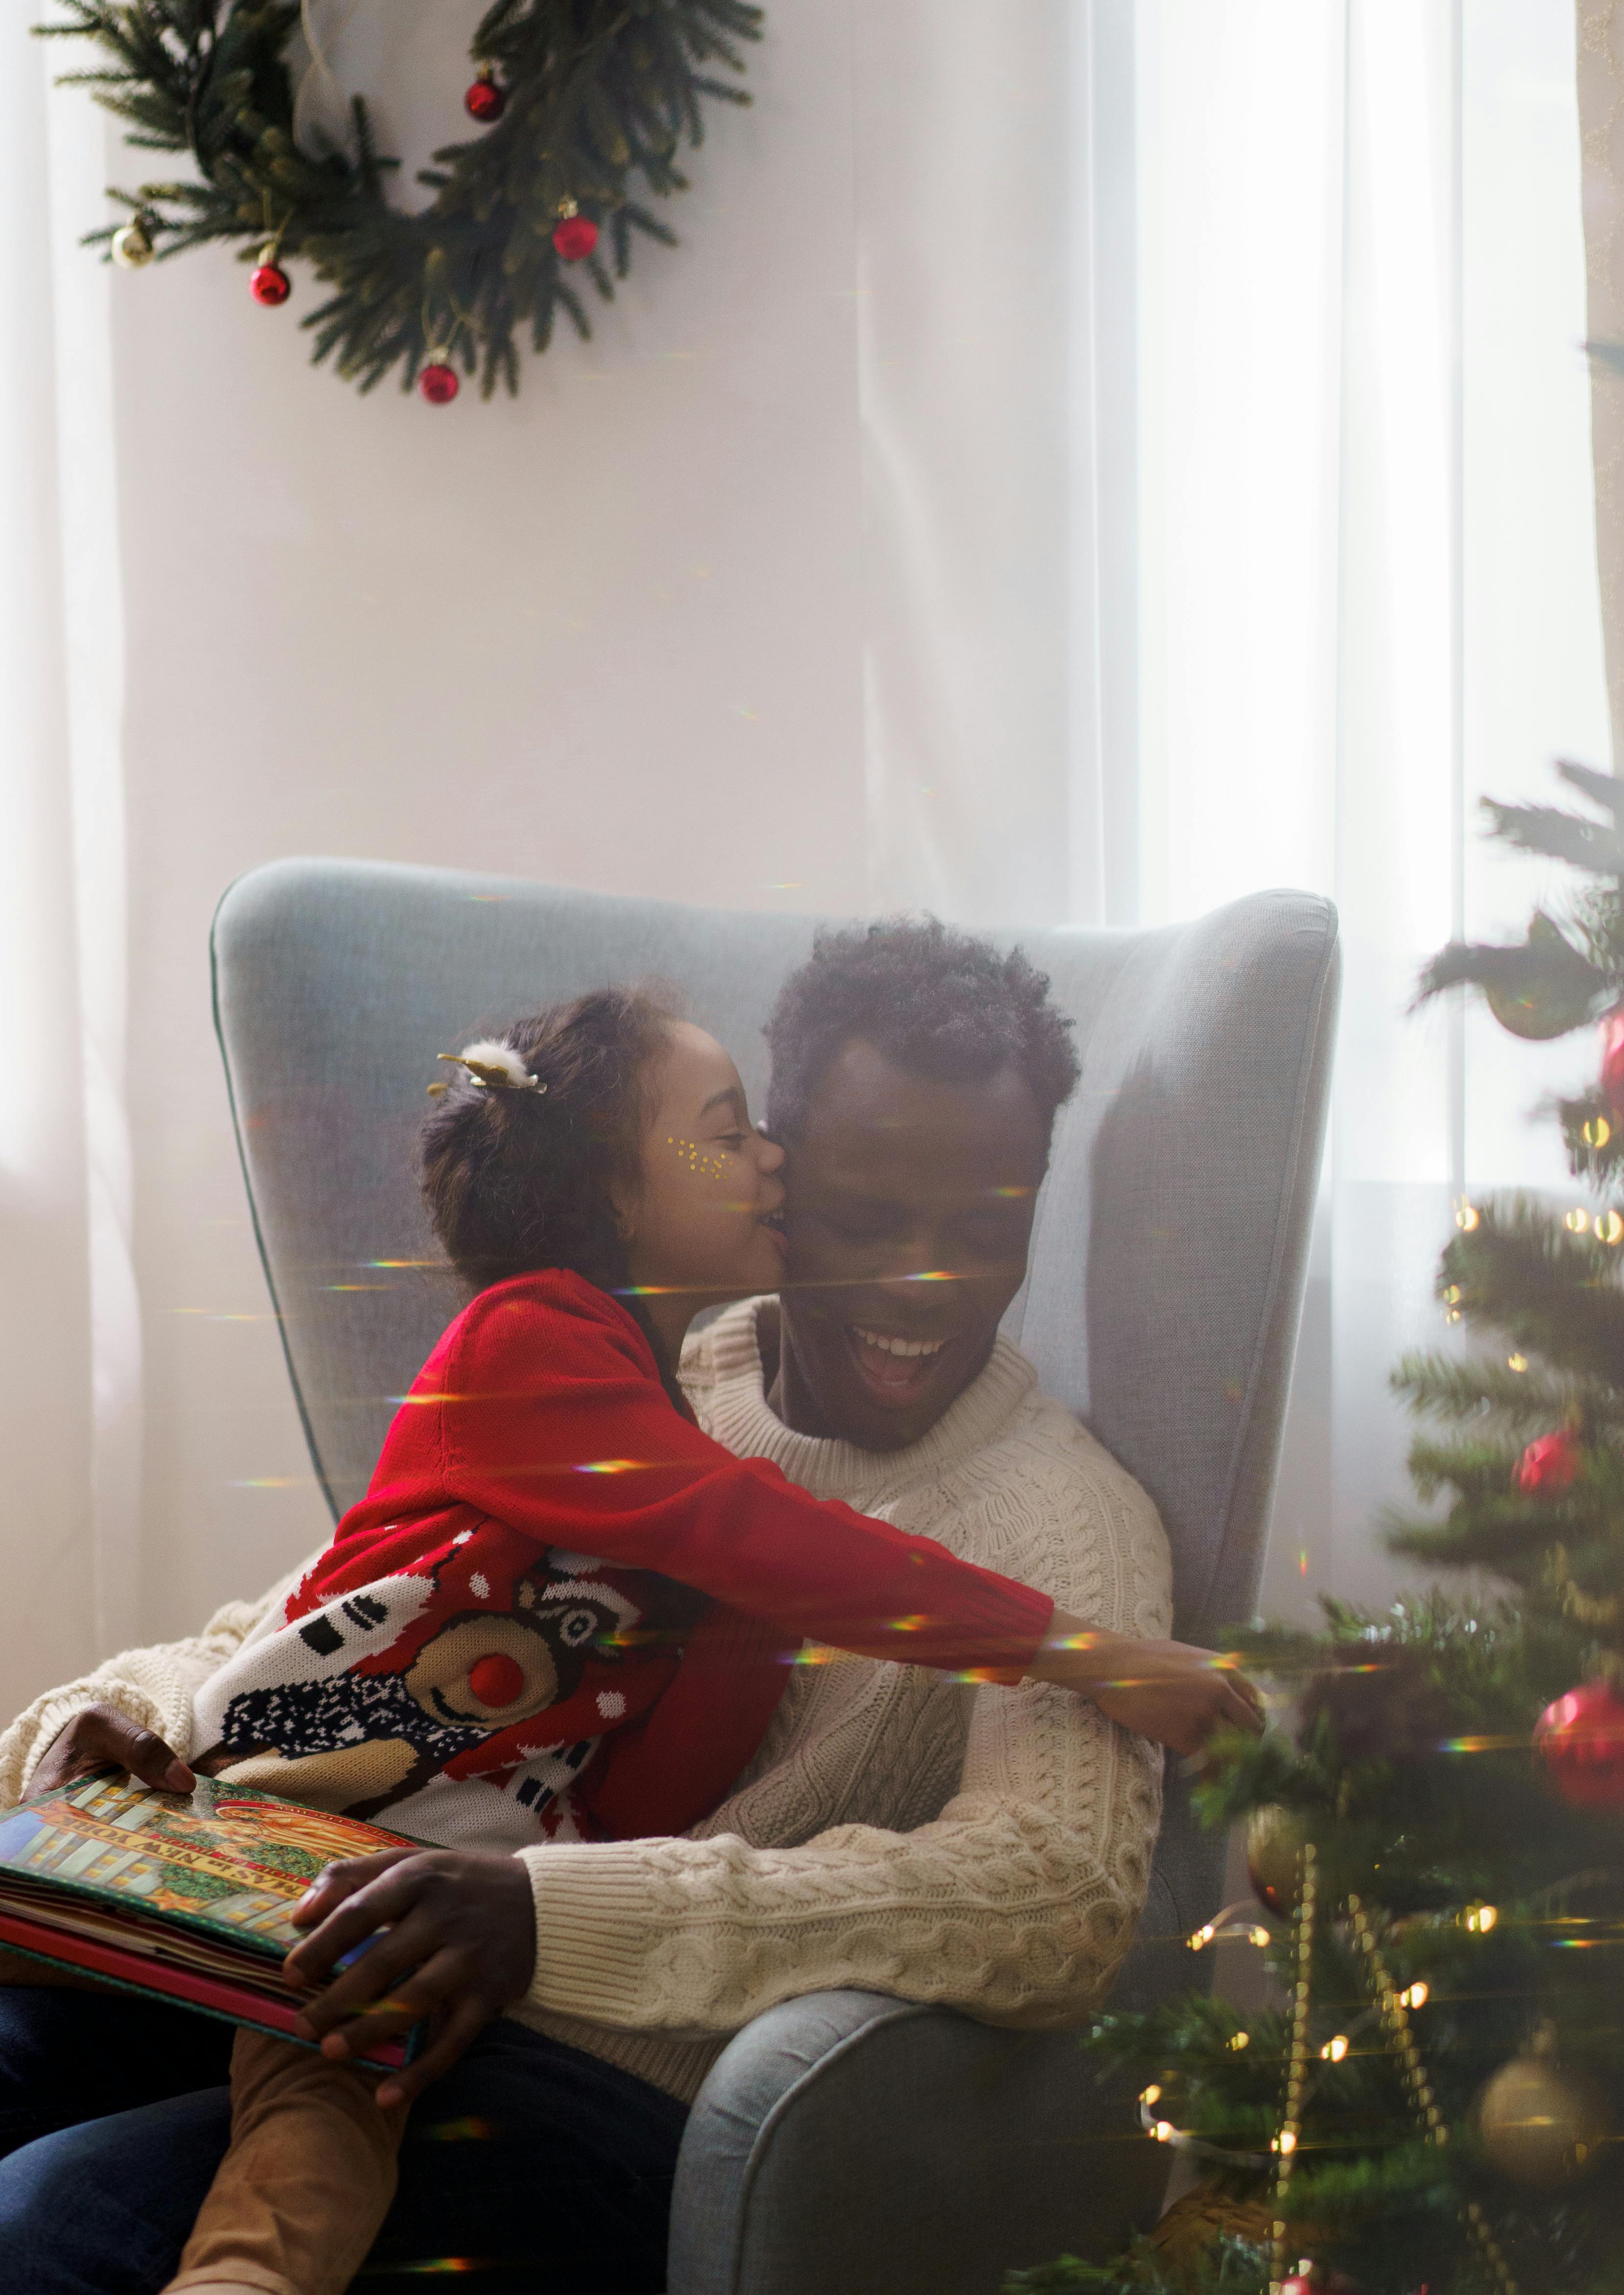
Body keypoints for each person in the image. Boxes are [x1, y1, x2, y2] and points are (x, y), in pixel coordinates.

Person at [0, 920, 1253, 2295]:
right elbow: (335, 1603)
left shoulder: (1059, 1519)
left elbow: (1049, 1899)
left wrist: (553, 1911)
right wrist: (108, 1717)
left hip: (610, 2056)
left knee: (55, 2219)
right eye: (861, 1213)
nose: (922, 1280)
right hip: (358, 1893)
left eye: (986, 1227)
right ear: (775, 1172)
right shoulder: (627, 1362)